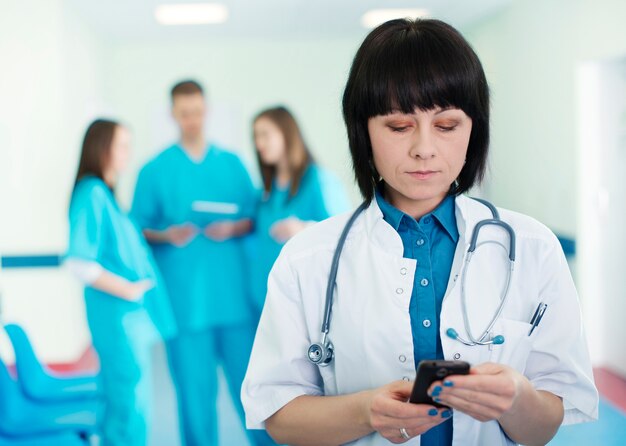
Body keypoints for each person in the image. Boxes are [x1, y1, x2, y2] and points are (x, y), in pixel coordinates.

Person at [241, 18, 598, 446]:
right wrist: (363, 411)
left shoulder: (534, 248)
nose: (424, 148)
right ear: (363, 132)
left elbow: (542, 428)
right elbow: (278, 416)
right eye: (398, 126)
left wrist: (517, 399)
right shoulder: (306, 259)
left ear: (475, 129)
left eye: (447, 126)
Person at [132, 80, 272, 445]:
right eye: (183, 113)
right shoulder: (154, 170)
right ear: (172, 114)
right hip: (186, 307)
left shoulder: (232, 164)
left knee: (253, 393)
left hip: (234, 303)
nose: (191, 119)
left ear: (206, 110)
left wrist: (233, 227)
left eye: (196, 111)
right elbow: (137, 229)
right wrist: (167, 234)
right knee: (195, 400)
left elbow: (256, 217)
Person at [66, 119, 177, 446]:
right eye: (122, 145)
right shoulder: (93, 193)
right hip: (118, 318)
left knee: (128, 401)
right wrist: (128, 289)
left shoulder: (107, 196)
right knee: (129, 405)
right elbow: (78, 262)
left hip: (127, 320)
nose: (128, 153)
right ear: (102, 148)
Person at [249, 106, 350, 313]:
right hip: (265, 300)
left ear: (286, 133)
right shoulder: (267, 191)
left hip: (304, 300)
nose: (259, 144)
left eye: (265, 135)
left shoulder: (318, 180)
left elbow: (347, 233)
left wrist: (303, 227)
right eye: (256, 137)